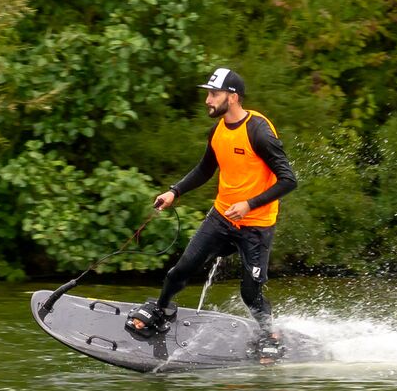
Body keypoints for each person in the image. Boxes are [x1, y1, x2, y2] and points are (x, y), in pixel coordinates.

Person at [126, 66, 299, 358]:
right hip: (221, 218)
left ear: (233, 97)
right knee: (179, 271)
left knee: (250, 292)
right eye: (208, 93)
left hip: (256, 225)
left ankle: (269, 331)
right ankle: (163, 308)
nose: (208, 100)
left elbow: (289, 180)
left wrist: (249, 204)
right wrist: (175, 191)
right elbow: (206, 169)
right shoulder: (217, 131)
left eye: (214, 94)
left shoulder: (259, 132)